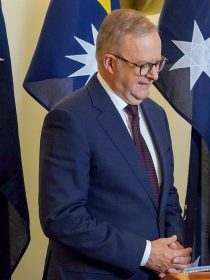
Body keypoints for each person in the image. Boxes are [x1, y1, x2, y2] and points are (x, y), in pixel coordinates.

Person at [39, 9, 192, 279]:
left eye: (158, 63)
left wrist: (173, 245)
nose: (154, 75)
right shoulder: (69, 118)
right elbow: (63, 217)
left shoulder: (156, 114)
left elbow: (165, 193)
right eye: (144, 65)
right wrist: (146, 253)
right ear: (110, 62)